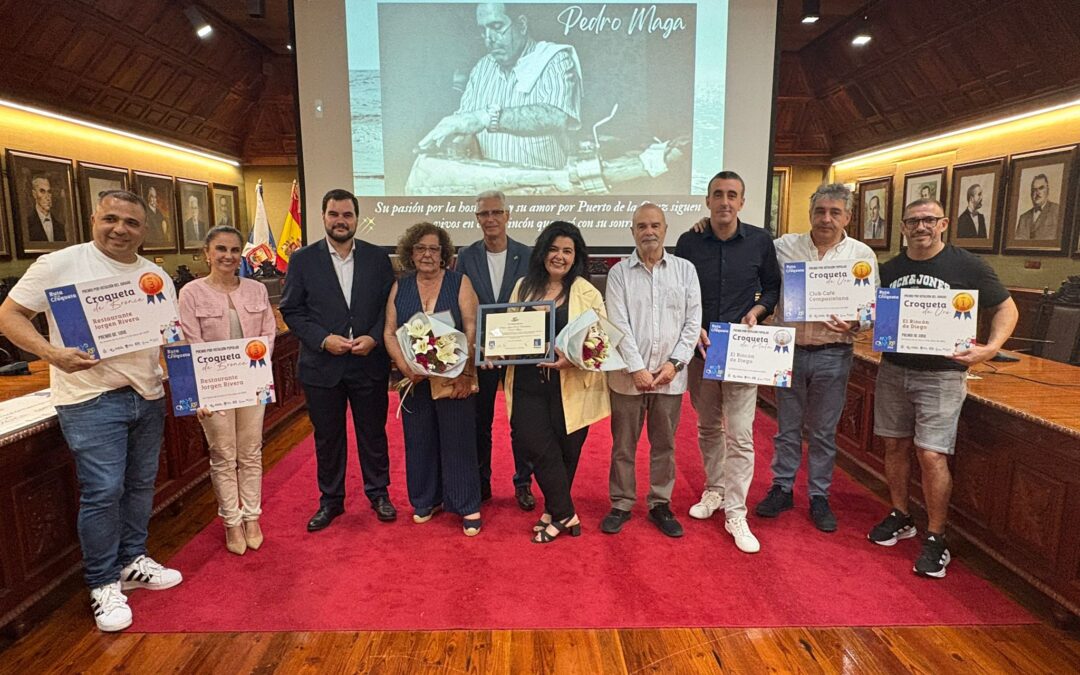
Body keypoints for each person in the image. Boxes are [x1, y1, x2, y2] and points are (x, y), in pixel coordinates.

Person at [0, 189, 182, 632]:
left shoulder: (153, 275)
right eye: (111, 219)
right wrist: (51, 353)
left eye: (132, 223)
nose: (120, 229)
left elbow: (169, 337)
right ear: (93, 218)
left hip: (146, 394)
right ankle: (102, 583)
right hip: (89, 399)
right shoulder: (60, 264)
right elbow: (9, 315)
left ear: (145, 229)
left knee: (140, 485)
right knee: (103, 491)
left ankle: (131, 560)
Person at [868, 198, 1017, 578]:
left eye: (929, 220)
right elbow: (871, 313)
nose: (921, 227)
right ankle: (901, 515)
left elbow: (1007, 308)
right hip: (894, 370)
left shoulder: (967, 265)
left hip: (942, 376)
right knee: (895, 445)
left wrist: (991, 348)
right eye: (913, 221)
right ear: (903, 226)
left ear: (944, 223)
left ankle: (936, 536)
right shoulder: (890, 269)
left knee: (932, 455)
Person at [754, 184, 879, 533]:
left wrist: (858, 321)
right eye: (820, 211)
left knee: (824, 432)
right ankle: (782, 488)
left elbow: (871, 312)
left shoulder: (862, 256)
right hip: (789, 349)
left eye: (834, 212)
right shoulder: (783, 247)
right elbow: (758, 271)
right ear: (810, 214)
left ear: (848, 217)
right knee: (786, 428)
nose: (826, 218)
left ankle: (818, 495)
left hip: (833, 354)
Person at [675, 170, 781, 554]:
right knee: (706, 427)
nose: (724, 201)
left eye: (731, 195)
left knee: (740, 433)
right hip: (701, 349)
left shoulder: (759, 241)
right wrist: (694, 327)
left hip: (743, 350)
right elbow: (679, 291)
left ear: (742, 201)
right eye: (717, 194)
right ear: (707, 200)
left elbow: (772, 288)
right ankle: (714, 490)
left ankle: (737, 511)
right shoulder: (689, 241)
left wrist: (757, 311)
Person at [280, 189, 398, 532]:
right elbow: (291, 309)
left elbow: (388, 308)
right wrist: (322, 339)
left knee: (373, 434)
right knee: (328, 437)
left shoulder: (378, 258)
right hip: (322, 365)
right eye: (334, 214)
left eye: (347, 215)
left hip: (368, 362)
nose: (341, 221)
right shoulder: (302, 259)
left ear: (357, 219)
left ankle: (379, 494)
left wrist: (375, 337)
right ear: (323, 217)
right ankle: (331, 500)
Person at [505, 221, 609, 543]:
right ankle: (568, 514)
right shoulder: (524, 287)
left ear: (575, 256)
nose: (559, 256)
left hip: (571, 385)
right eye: (553, 249)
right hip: (527, 384)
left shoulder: (587, 292)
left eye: (567, 250)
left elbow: (600, 343)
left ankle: (553, 513)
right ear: (542, 252)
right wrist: (496, 349)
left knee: (566, 453)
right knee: (536, 446)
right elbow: (506, 329)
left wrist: (573, 360)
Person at [601, 204, 700, 538]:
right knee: (623, 446)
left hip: (670, 378)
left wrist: (675, 364)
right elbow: (618, 324)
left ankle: (660, 503)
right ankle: (621, 502)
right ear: (632, 231)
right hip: (629, 379)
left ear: (665, 228)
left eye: (655, 225)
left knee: (664, 446)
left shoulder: (685, 271)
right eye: (641, 226)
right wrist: (637, 369)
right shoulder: (618, 273)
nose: (649, 231)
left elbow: (692, 322)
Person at [178, 226, 278, 555]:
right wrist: (199, 394)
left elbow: (268, 334)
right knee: (223, 455)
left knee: (250, 452)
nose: (228, 256)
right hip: (214, 390)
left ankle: (252, 517)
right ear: (207, 253)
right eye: (220, 249)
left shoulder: (256, 290)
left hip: (250, 385)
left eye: (235, 250)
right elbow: (189, 344)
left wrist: (257, 375)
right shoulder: (191, 293)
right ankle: (231, 523)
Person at [384, 223, 484, 536]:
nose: (427, 254)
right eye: (421, 248)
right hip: (414, 380)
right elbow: (388, 330)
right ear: (410, 252)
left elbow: (472, 327)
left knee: (459, 440)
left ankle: (467, 505)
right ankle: (426, 499)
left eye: (434, 249)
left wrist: (465, 373)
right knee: (418, 439)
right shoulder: (401, 285)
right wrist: (403, 366)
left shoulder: (459, 282)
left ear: (444, 254)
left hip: (453, 380)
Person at [417, 2, 582, 169]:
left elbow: (557, 116)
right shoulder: (482, 68)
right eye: (483, 31)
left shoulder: (555, 60)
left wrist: (485, 117)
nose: (489, 39)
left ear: (522, 25)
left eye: (497, 27)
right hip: (491, 185)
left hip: (546, 187)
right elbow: (467, 125)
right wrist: (457, 139)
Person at [455, 190, 534, 509]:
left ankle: (524, 483)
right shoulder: (466, 255)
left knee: (523, 422)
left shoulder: (528, 254)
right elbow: (463, 303)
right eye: (483, 214)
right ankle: (481, 481)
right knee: (479, 421)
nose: (490, 219)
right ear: (478, 219)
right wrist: (476, 346)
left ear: (507, 216)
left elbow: (535, 301)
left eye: (495, 213)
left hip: (520, 353)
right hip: (482, 354)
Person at [1015, 174, 1060, 240]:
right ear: (1031, 193)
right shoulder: (1023, 218)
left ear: (1048, 190)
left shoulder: (1057, 211)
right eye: (1034, 190)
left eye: (1041, 188)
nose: (1037, 193)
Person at [27, 176, 68, 243]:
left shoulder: (60, 227)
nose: (47, 197)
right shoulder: (28, 225)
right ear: (34, 194)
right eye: (42, 191)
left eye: (49, 192)